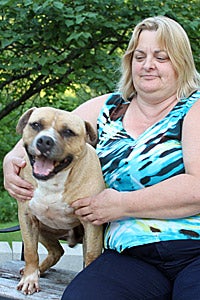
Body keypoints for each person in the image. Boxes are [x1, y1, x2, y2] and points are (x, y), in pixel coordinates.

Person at [3, 15, 200, 299]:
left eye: (162, 57)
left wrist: (122, 204)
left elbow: (196, 187)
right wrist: (11, 161)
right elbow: (46, 134)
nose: (148, 65)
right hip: (130, 254)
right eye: (139, 56)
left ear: (181, 62)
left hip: (193, 249)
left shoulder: (194, 109)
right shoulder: (106, 108)